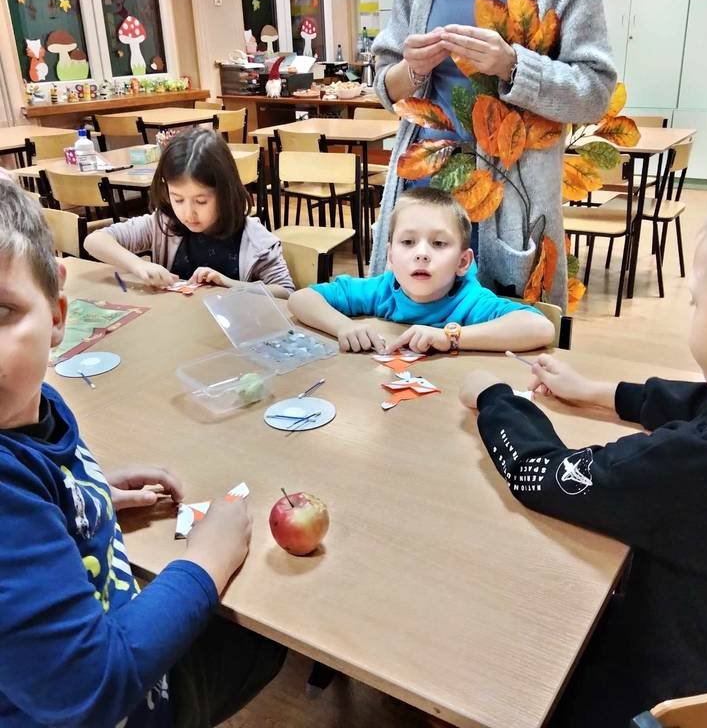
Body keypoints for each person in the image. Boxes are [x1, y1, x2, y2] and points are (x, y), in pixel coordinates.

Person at [458, 189, 707, 726]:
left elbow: (541, 476)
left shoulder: (696, 464)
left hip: (661, 693)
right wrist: (597, 392)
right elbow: (703, 401)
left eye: (696, 302)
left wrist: (494, 398)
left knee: (489, 647)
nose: (692, 311)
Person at [0, 179, 286, 727]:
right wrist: (206, 560)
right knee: (265, 637)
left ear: (57, 314)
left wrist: (83, 494)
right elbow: (92, 686)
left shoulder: (36, 405)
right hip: (123, 703)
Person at [371, 0, 617, 309]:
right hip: (421, 194)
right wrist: (413, 69)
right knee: (407, 328)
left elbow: (595, 93)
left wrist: (513, 66)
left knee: (502, 331)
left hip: (512, 202)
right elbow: (385, 85)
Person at [288, 187, 553, 353]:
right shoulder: (382, 289)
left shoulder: (470, 300)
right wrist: (343, 326)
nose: (421, 253)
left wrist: (451, 337)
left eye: (438, 243)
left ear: (463, 262)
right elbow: (300, 299)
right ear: (391, 256)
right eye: (407, 242)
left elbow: (540, 328)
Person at [84, 128, 294, 298]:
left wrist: (231, 285)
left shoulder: (255, 240)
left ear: (225, 193)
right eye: (178, 199)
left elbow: (285, 292)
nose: (188, 213)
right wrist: (138, 265)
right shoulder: (164, 223)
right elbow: (94, 241)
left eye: (201, 201)